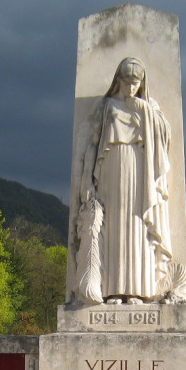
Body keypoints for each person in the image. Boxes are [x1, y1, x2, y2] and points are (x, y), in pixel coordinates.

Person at [74, 57, 173, 305]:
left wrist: (146, 110)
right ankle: (111, 291)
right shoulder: (106, 106)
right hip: (110, 171)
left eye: (135, 83)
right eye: (127, 82)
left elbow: (165, 136)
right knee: (112, 229)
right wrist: (86, 179)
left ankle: (137, 291)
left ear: (141, 83)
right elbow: (93, 144)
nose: (131, 88)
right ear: (118, 80)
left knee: (138, 229)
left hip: (140, 173)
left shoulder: (149, 107)